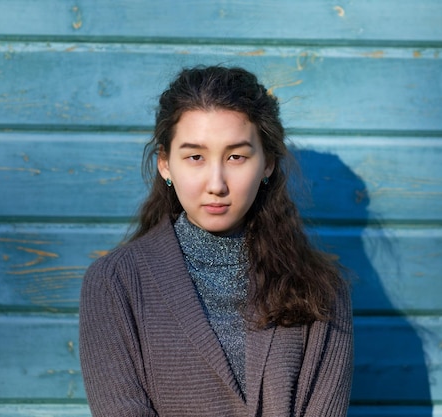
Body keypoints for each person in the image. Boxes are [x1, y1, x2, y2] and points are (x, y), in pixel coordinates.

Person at [79, 65, 353, 416]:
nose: (216, 183)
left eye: (236, 156)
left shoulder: (320, 291)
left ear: (267, 163)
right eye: (195, 157)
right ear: (165, 163)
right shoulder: (114, 284)